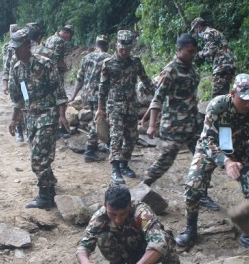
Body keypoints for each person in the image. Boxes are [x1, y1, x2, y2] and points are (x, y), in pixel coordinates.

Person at [176, 74, 249, 252]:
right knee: (193, 186)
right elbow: (206, 140)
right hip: (212, 149)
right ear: (233, 93)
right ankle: (190, 229)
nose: (248, 104)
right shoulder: (218, 106)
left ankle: (248, 236)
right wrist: (226, 162)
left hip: (241, 152)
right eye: (244, 100)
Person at [140, 34, 221, 211]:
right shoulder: (170, 71)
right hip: (173, 125)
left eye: (194, 51)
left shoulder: (191, 68)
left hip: (193, 123)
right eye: (190, 51)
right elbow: (157, 98)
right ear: (180, 50)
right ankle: (142, 188)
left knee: (204, 159)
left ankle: (201, 194)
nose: (193, 54)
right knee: (165, 160)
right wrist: (152, 124)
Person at [75, 185, 196, 264]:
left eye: (123, 214)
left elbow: (159, 243)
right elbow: (83, 246)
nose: (117, 219)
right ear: (105, 205)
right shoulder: (100, 217)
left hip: (148, 252)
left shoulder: (141, 211)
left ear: (129, 205)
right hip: (126, 253)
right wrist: (85, 263)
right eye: (112, 214)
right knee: (103, 237)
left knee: (165, 239)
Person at [7, 29, 68, 209]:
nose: (15, 52)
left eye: (18, 48)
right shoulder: (17, 69)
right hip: (30, 118)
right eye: (14, 49)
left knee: (37, 159)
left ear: (28, 46)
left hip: (48, 116)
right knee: (42, 157)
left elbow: (59, 92)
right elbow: (21, 96)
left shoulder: (45, 64)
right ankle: (50, 190)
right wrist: (14, 120)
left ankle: (44, 197)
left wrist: (62, 115)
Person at [96, 30, 154, 185]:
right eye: (122, 49)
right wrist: (100, 109)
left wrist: (157, 96)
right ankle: (115, 170)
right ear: (116, 45)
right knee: (116, 136)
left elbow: (145, 80)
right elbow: (103, 89)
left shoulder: (135, 62)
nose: (124, 52)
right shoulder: (108, 64)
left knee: (132, 137)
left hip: (131, 105)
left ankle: (124, 164)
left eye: (127, 49)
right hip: (114, 105)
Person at [70, 35, 110, 163]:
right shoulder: (108, 58)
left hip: (87, 93)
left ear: (95, 44)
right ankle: (89, 151)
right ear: (107, 45)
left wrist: (74, 94)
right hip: (100, 94)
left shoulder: (86, 57)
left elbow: (79, 78)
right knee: (97, 120)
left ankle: (104, 144)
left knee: (97, 119)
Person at [190, 17, 236, 97]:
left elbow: (211, 50)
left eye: (195, 29)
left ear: (199, 27)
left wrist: (201, 54)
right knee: (224, 95)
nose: (196, 33)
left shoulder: (207, 33)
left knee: (217, 96)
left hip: (221, 66)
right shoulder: (215, 32)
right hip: (229, 64)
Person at [1, 24, 25, 142]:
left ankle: (25, 129)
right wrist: (5, 83)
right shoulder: (8, 47)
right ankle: (19, 130)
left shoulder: (24, 46)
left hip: (24, 82)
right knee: (17, 103)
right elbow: (6, 66)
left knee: (26, 102)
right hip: (13, 81)